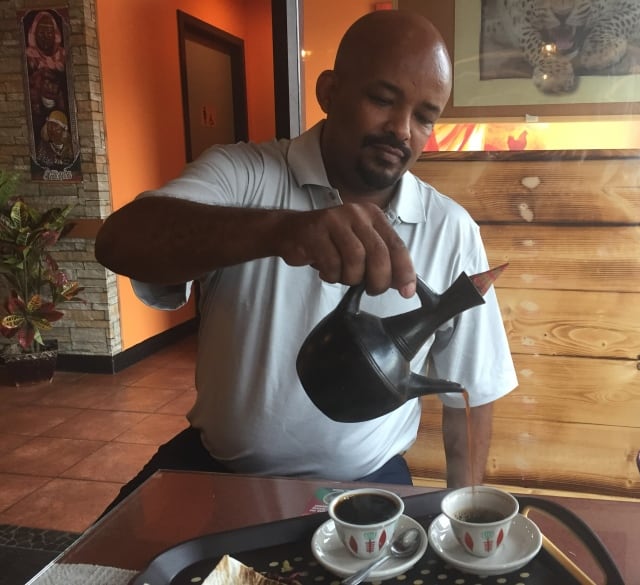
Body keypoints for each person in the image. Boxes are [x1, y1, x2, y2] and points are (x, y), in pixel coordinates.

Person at [95, 9, 517, 510]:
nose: (402, 130)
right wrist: (283, 231)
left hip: (368, 480)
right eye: (382, 99)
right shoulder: (243, 175)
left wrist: (464, 517)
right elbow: (120, 239)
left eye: (425, 116)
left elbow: (472, 393)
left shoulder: (451, 230)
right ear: (329, 92)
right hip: (221, 472)